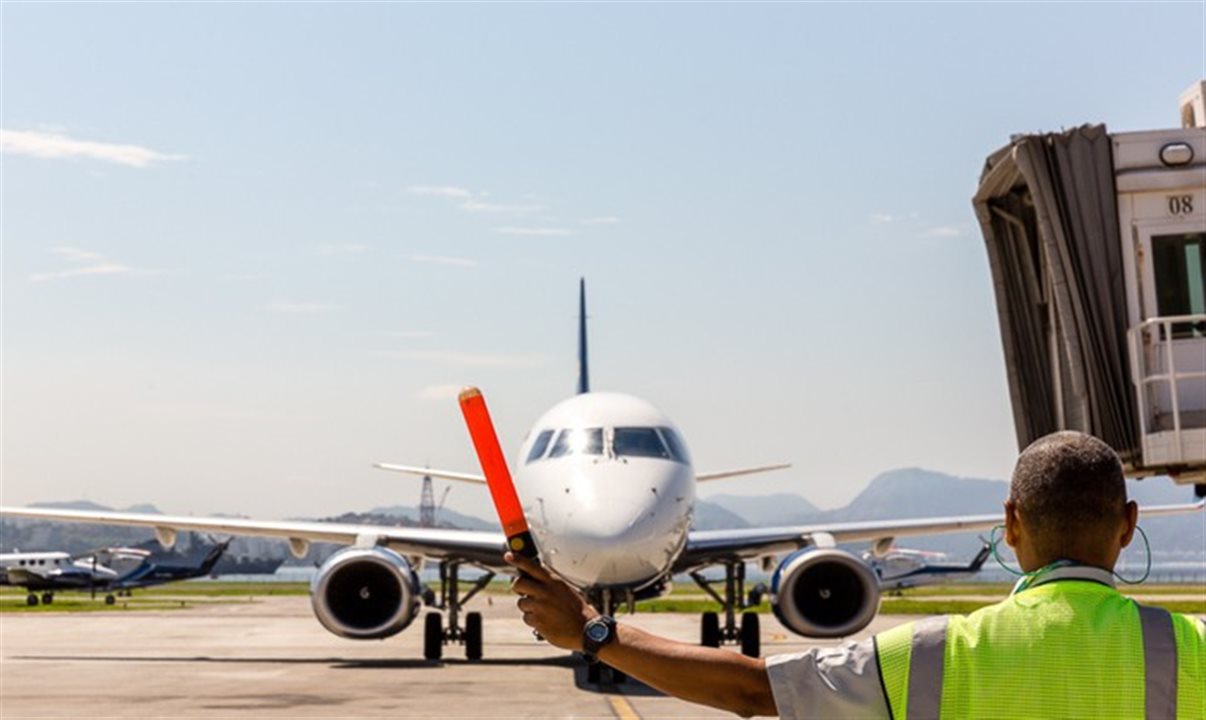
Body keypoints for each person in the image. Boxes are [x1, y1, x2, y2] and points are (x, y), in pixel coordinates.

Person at [508, 431, 1205, 718]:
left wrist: (592, 633)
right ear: (1128, 522)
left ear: (1011, 522)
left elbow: (753, 690)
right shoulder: (1192, 651)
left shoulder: (930, 654)